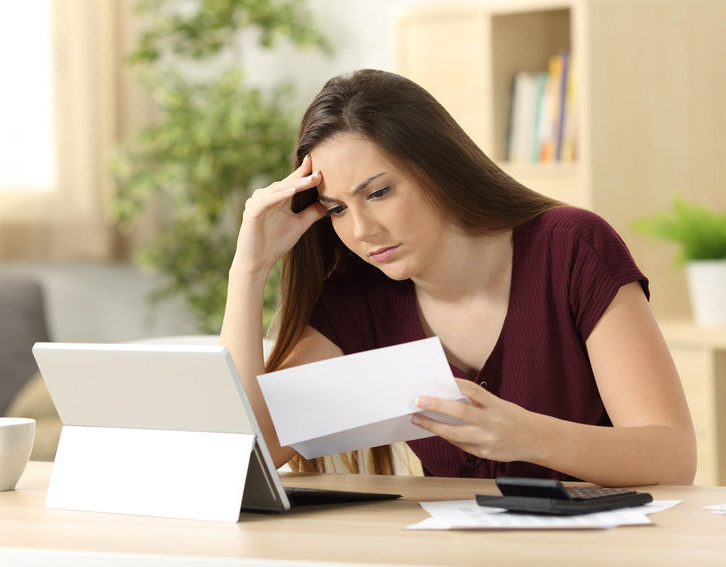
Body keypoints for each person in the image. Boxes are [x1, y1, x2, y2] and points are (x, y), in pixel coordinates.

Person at [219, 69, 696, 486]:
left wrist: (527, 437)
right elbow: (246, 450)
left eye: (380, 192)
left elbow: (672, 458)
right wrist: (249, 268)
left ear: (435, 167)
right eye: (338, 209)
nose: (362, 230)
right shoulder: (357, 296)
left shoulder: (571, 247)